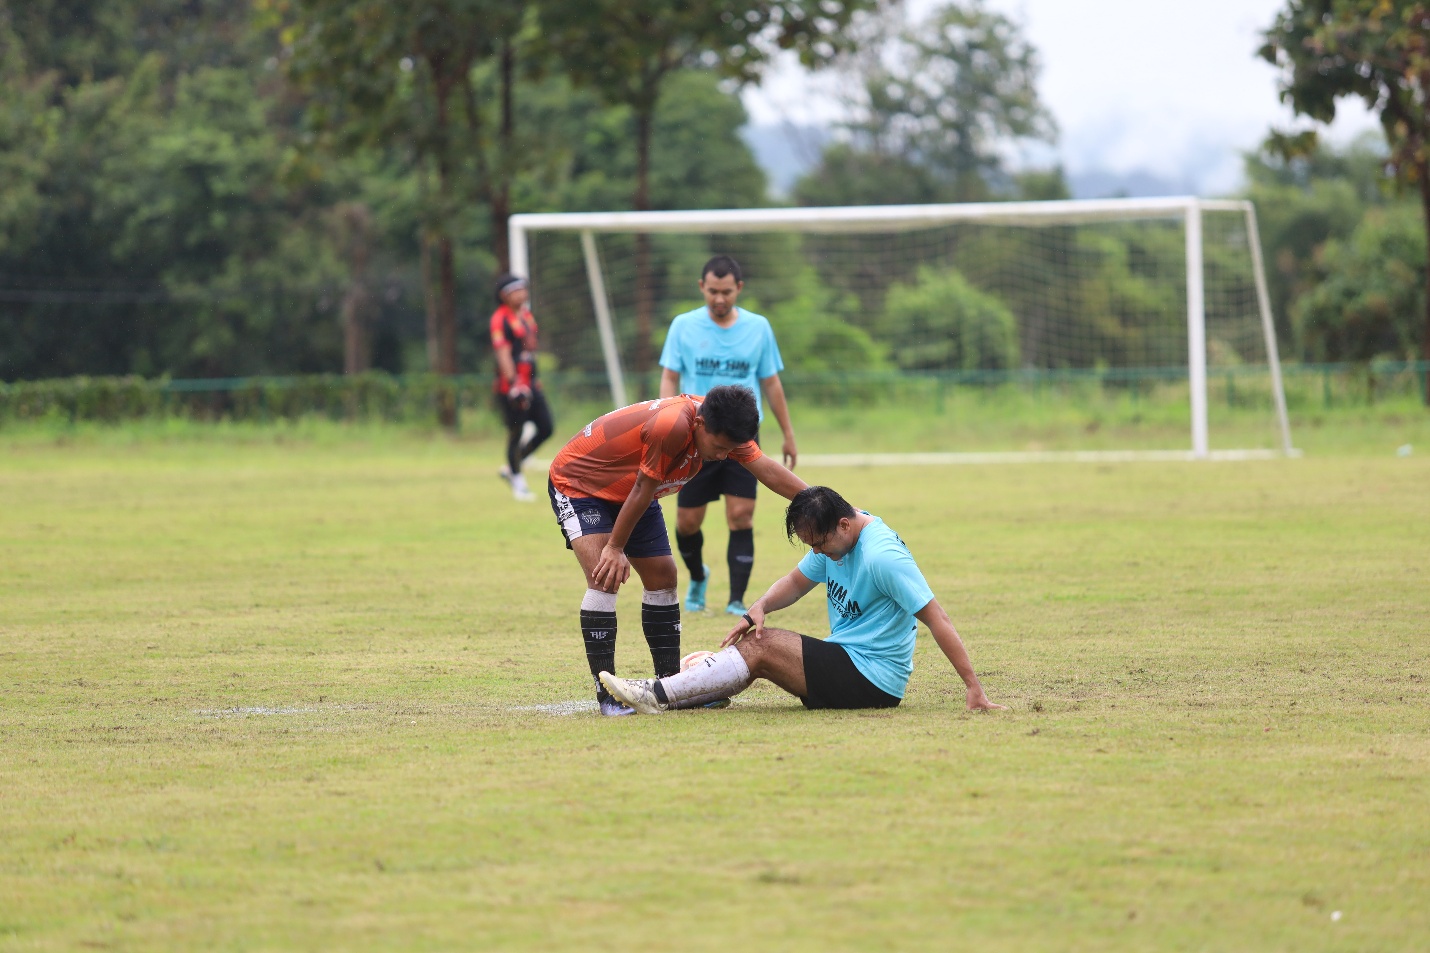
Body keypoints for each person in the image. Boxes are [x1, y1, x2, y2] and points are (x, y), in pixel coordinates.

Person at [600, 485, 1004, 714]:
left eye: (820, 544)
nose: (818, 553)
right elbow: (795, 582)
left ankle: (655, 694)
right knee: (755, 646)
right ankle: (692, 692)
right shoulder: (837, 537)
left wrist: (974, 688)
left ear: (843, 525)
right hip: (847, 659)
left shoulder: (883, 558)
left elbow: (938, 619)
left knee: (761, 647)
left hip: (873, 680)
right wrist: (758, 607)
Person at [546, 385, 808, 716]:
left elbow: (766, 469)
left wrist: (826, 503)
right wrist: (614, 547)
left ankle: (669, 687)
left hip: (637, 490)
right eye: (719, 448)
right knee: (604, 577)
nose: (723, 456)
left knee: (663, 577)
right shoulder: (670, 426)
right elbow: (643, 487)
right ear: (699, 424)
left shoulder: (723, 424)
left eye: (730, 450)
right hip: (581, 484)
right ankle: (607, 696)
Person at [658, 255, 797, 617]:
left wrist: (788, 433)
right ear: (701, 287)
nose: (719, 298)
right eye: (713, 291)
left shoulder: (758, 327)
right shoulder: (683, 326)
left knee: (741, 515)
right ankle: (698, 576)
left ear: (739, 289)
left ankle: (736, 599)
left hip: (741, 435)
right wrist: (666, 420)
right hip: (696, 435)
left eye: (726, 292)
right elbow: (670, 377)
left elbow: (771, 382)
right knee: (688, 521)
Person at [490, 273, 554, 502]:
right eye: (515, 290)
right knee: (516, 433)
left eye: (523, 289)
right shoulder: (500, 319)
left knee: (546, 428)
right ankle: (518, 483)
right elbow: (503, 353)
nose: (521, 294)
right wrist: (514, 384)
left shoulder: (526, 315)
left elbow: (529, 351)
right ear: (504, 296)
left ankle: (511, 467)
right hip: (513, 387)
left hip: (532, 384)